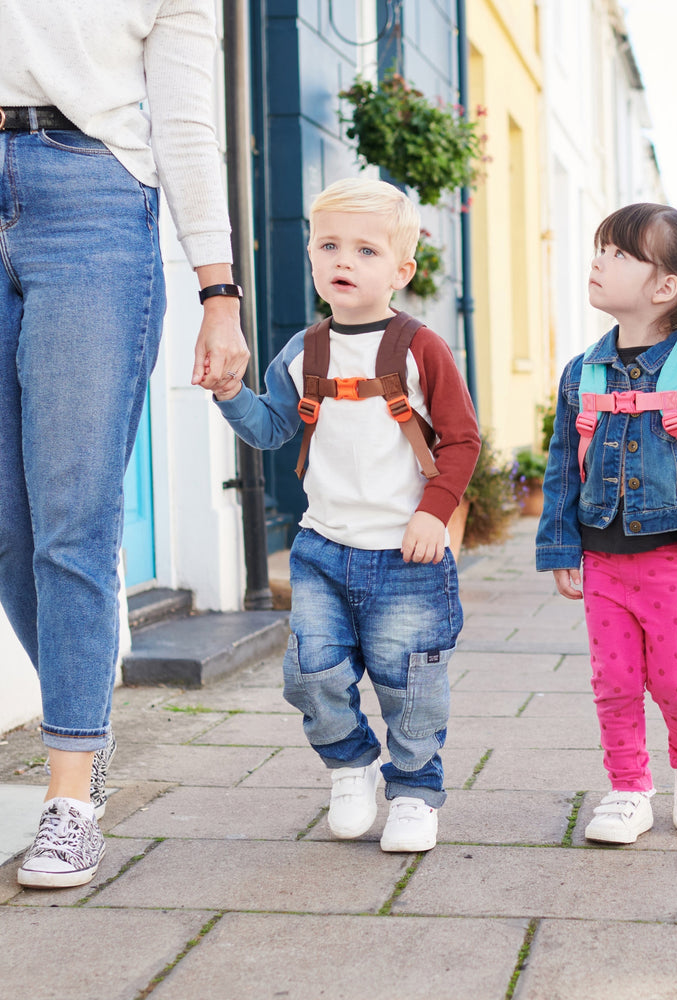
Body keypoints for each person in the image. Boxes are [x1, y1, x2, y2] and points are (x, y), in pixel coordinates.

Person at [1, 1, 250, 889]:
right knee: (6, 528)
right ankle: (84, 715)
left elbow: (186, 121)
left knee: (71, 516)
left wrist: (220, 295)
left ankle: (69, 793)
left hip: (92, 204)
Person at [209, 177, 480, 853]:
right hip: (322, 548)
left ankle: (415, 790)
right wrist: (229, 393)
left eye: (365, 249)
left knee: (409, 683)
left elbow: (463, 439)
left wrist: (434, 512)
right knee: (309, 674)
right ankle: (350, 766)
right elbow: (271, 429)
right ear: (309, 255)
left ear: (402, 268)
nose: (344, 261)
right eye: (329, 245)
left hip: (406, 553)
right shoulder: (305, 352)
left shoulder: (422, 349)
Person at [535, 203, 677, 844]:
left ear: (664, 287)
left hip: (670, 550)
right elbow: (562, 465)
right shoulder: (583, 372)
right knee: (613, 681)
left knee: (676, 678)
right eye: (600, 247)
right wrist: (560, 549)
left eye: (618, 252)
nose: (598, 259)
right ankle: (629, 789)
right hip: (601, 551)